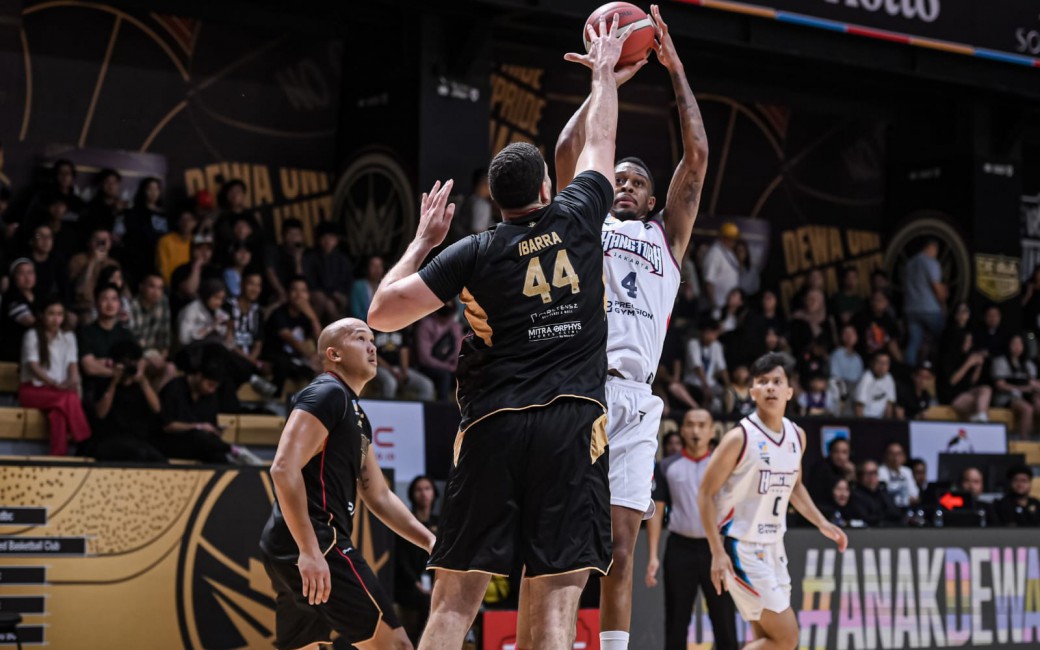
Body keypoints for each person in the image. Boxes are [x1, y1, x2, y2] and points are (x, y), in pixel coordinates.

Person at [366, 17, 627, 649]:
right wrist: (603, 73)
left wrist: (421, 242)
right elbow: (601, 140)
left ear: (496, 199)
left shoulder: (474, 252)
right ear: (547, 187)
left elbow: (380, 314)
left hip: (494, 426)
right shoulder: (579, 213)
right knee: (555, 607)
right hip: (570, 425)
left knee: (455, 602)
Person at [553, 12, 709, 645]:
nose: (623, 184)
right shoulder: (588, 221)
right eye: (617, 177)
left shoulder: (668, 238)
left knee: (621, 544)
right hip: (583, 384)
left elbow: (697, 158)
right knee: (570, 538)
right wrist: (604, 82)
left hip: (638, 399)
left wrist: (676, 70)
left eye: (636, 182)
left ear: (650, 200)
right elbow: (567, 153)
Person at [260, 318, 436, 650]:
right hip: (318, 542)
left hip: (290, 545)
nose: (372, 347)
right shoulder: (327, 392)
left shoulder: (356, 414)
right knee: (396, 646)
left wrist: (429, 541)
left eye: (373, 340)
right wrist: (310, 550)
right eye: (360, 339)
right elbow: (283, 468)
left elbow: (378, 494)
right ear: (334, 354)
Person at [697, 352, 847, 650]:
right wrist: (716, 551)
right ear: (752, 391)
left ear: (790, 391)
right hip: (740, 546)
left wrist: (822, 523)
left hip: (774, 546)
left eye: (777, 381)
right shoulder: (739, 437)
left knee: (765, 639)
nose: (770, 387)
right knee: (786, 638)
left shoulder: (797, 435)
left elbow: (795, 487)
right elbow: (705, 493)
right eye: (762, 381)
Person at [645, 409, 737, 650]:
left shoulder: (723, 465)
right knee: (676, 621)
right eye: (690, 425)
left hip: (717, 550)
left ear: (712, 431)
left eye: (702, 425)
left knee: (725, 621)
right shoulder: (667, 466)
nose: (696, 430)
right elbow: (657, 511)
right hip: (680, 548)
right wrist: (653, 555)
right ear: (682, 431)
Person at [18, 296, 91, 455]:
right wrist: (54, 384)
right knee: (67, 398)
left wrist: (72, 382)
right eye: (51, 314)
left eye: (59, 314)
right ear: (42, 315)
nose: (56, 319)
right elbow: (33, 366)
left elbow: (73, 366)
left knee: (58, 414)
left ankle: (59, 456)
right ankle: (84, 440)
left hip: (58, 392)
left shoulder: (68, 337)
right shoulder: (32, 335)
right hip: (33, 390)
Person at [90, 339, 165, 463]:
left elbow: (157, 408)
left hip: (138, 439)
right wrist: (114, 381)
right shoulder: (104, 383)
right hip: (111, 439)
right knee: (137, 454)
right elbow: (101, 413)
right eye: (125, 363)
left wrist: (143, 380)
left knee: (158, 460)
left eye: (132, 363)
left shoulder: (141, 386)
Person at [395, 475, 440, 643]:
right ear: (412, 494)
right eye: (419, 490)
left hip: (434, 583)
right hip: (409, 585)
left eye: (427, 489)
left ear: (434, 493)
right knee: (423, 602)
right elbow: (401, 560)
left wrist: (436, 583)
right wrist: (417, 583)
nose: (423, 494)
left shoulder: (440, 523)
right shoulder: (406, 523)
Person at [264, 276, 322, 395]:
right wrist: (311, 357)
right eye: (294, 290)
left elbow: (322, 341)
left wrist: (313, 318)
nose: (299, 295)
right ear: (288, 293)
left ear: (308, 295)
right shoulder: (279, 314)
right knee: (283, 363)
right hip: (277, 358)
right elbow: (291, 340)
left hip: (297, 360)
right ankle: (275, 399)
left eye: (303, 291)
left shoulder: (306, 316)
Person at [902, 238, 946, 366]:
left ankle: (909, 371)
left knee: (914, 342)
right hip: (930, 309)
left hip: (911, 309)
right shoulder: (931, 262)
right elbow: (936, 287)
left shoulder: (909, 264)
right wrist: (943, 302)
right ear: (932, 247)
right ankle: (939, 369)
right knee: (943, 338)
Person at [128, 272, 176, 388]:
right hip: (137, 354)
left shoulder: (163, 302)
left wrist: (162, 356)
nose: (156, 292)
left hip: (155, 353)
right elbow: (132, 338)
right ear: (141, 287)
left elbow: (164, 335)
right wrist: (148, 357)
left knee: (170, 369)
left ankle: (154, 398)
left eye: (160, 288)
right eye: (152, 286)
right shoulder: (132, 306)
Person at [990, 334, 1040, 439]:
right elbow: (1000, 385)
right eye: (1014, 344)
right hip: (1008, 397)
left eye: (1020, 344)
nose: (1017, 347)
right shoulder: (1000, 361)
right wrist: (1021, 389)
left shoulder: (1028, 364)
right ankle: (1025, 441)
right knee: (1027, 409)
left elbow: (1033, 383)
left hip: (1027, 396)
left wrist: (1035, 386)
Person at [304, 221, 353, 324]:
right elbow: (310, 281)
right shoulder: (311, 257)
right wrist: (329, 293)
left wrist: (338, 294)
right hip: (319, 295)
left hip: (339, 294)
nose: (327, 241)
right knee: (327, 304)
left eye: (331, 238)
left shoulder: (343, 259)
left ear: (336, 240)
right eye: (324, 238)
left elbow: (347, 281)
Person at [414, 301, 464, 401]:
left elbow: (458, 351)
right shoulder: (426, 325)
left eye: (448, 313)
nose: (445, 317)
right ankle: (442, 407)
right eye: (443, 313)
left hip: (450, 366)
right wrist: (448, 367)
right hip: (427, 367)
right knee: (444, 376)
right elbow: (425, 358)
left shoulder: (455, 327)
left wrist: (457, 366)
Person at [684, 319, 728, 413]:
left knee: (727, 394)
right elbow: (697, 366)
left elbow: (722, 368)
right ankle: (703, 414)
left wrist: (729, 386)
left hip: (711, 383)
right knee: (706, 394)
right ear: (703, 332)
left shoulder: (717, 346)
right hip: (694, 382)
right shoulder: (693, 344)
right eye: (710, 333)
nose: (712, 336)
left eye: (715, 334)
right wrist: (705, 386)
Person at [1, 258, 37, 362]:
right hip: (14, 354)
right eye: (21, 273)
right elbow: (32, 322)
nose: (27, 277)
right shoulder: (12, 299)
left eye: (30, 273)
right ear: (14, 277)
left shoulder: (40, 297)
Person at [702, 222, 741, 319]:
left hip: (730, 306)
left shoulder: (729, 252)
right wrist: (714, 305)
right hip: (719, 305)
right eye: (730, 238)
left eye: (734, 239)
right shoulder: (715, 253)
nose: (733, 242)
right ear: (723, 237)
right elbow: (709, 281)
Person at [851, 460, 904, 527]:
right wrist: (885, 516)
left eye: (874, 473)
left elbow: (896, 513)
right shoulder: (856, 495)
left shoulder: (882, 492)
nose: (872, 477)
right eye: (868, 473)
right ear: (860, 476)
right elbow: (866, 518)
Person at [806, 437, 856, 504]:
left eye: (844, 452)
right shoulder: (821, 469)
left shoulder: (847, 470)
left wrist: (851, 476)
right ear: (830, 452)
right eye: (836, 452)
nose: (840, 456)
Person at [156, 208, 196, 285]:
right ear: (177, 222)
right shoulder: (165, 240)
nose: (186, 223)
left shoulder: (196, 241)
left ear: (195, 223)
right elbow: (162, 267)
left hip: (190, 283)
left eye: (189, 220)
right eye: (183, 220)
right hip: (169, 285)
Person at [853, 352, 897, 418]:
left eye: (886, 363)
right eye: (880, 362)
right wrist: (862, 423)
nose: (882, 366)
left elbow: (889, 404)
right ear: (873, 363)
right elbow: (859, 406)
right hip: (865, 419)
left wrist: (887, 422)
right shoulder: (866, 378)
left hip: (880, 420)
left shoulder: (889, 378)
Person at [877, 441, 918, 508]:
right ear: (886, 456)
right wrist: (906, 501)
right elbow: (885, 496)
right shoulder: (881, 471)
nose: (895, 457)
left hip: (907, 509)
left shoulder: (907, 471)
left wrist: (911, 499)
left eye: (899, 454)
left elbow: (914, 493)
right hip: (889, 509)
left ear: (904, 456)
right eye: (892, 454)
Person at [350, 256, 385, 320]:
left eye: (379, 266)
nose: (377, 269)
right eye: (373, 266)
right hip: (362, 323)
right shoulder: (358, 286)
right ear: (367, 268)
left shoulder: (384, 287)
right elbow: (355, 312)